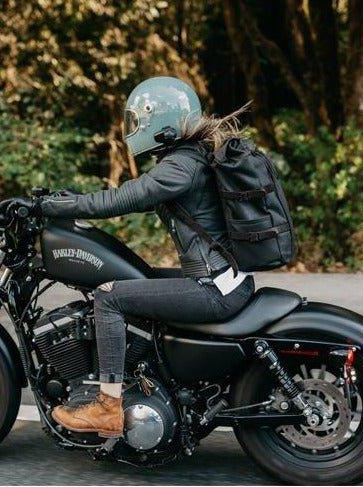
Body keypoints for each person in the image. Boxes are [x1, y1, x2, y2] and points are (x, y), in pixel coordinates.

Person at [39, 77, 255, 437]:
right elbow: (139, 197)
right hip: (221, 279)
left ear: (159, 119)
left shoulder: (181, 166)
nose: (133, 128)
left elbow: (126, 198)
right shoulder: (190, 157)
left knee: (108, 296)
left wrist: (55, 205)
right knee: (139, 279)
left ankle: (107, 407)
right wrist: (71, 199)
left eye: (137, 120)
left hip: (213, 289)